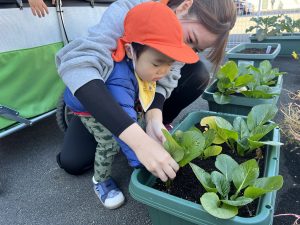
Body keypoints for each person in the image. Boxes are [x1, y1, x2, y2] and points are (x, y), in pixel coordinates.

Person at [56, 0, 236, 183]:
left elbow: (169, 78)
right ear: (183, 7)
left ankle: (152, 126)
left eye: (196, 49)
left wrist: (154, 118)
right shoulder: (129, 9)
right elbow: (78, 65)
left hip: (138, 91)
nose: (184, 51)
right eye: (189, 39)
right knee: (73, 162)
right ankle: (130, 129)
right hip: (102, 94)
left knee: (197, 73)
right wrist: (139, 143)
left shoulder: (176, 52)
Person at [63, 1, 198, 209]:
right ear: (129, 51)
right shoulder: (119, 81)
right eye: (157, 63)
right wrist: (142, 160)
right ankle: (100, 181)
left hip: (120, 99)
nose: (163, 72)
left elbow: (141, 105)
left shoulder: (143, 66)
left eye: (169, 65)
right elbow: (124, 125)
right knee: (109, 142)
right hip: (89, 107)